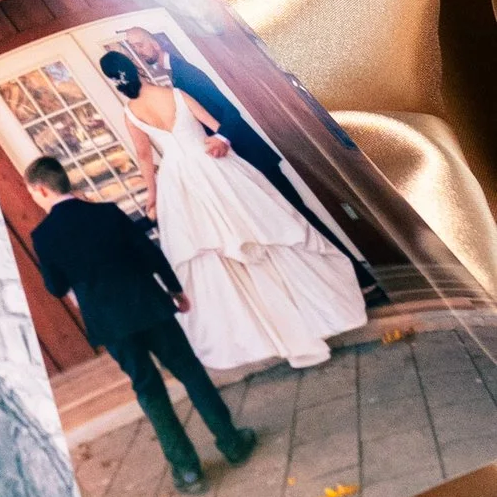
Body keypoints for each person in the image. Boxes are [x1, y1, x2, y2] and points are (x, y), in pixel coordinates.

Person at [98, 48, 366, 376]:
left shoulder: (131, 113)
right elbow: (215, 126)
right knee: (263, 236)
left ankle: (268, 336)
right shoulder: (177, 94)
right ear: (135, 67)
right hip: (217, 169)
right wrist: (220, 142)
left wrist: (151, 199)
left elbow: (144, 159)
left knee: (219, 255)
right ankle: (312, 318)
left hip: (180, 183)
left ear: (114, 81)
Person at [25, 156, 258, 493]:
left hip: (109, 323)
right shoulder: (107, 213)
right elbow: (149, 254)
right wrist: (175, 289)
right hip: (148, 305)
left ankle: (187, 470)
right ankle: (232, 442)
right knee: (189, 371)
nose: (34, 198)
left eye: (32, 193)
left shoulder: (43, 236)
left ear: (42, 189)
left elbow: (55, 287)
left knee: (147, 388)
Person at [105, 33, 380, 292]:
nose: (139, 51)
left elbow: (229, 111)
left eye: (140, 44)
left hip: (248, 158)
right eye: (135, 49)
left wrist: (222, 138)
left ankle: (358, 279)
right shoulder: (173, 80)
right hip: (224, 166)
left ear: (154, 39)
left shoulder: (185, 72)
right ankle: (335, 283)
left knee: (297, 218)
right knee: (281, 226)